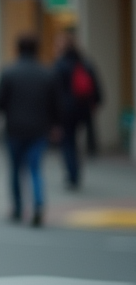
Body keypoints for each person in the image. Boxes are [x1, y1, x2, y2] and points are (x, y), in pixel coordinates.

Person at [0, 34, 60, 227]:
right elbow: (55, 104)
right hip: (39, 129)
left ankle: (17, 207)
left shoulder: (9, 72)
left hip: (14, 128)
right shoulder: (46, 73)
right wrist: (55, 124)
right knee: (35, 169)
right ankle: (38, 206)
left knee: (15, 169)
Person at [53, 30, 103, 189]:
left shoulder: (59, 64)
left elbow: (54, 90)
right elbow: (96, 87)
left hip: (66, 110)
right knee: (75, 140)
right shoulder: (85, 62)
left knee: (67, 141)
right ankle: (77, 170)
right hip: (82, 108)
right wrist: (95, 103)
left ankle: (72, 174)